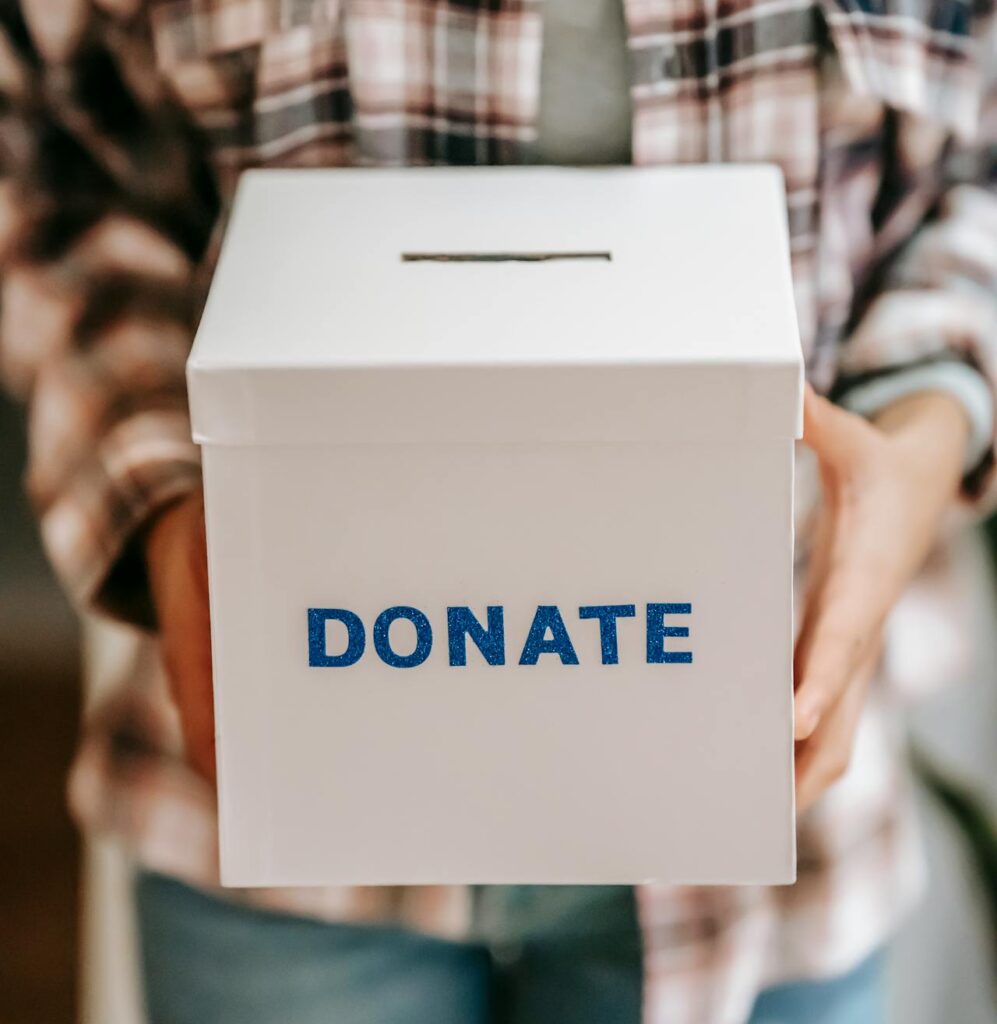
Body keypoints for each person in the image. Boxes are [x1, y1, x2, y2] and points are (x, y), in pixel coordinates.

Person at [0, 1, 994, 1021]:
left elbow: (979, 176)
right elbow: (41, 151)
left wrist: (920, 434)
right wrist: (162, 493)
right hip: (281, 823)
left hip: (771, 836)